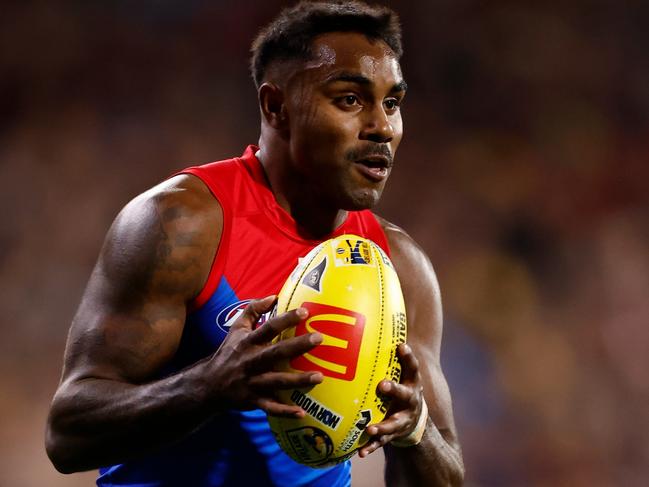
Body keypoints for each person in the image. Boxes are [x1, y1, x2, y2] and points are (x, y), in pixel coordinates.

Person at [45, 1, 464, 485]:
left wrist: (415, 433)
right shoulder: (182, 224)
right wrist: (207, 387)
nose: (382, 127)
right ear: (275, 107)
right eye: (350, 99)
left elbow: (447, 472)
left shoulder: (400, 269)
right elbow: (67, 435)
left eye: (392, 103)